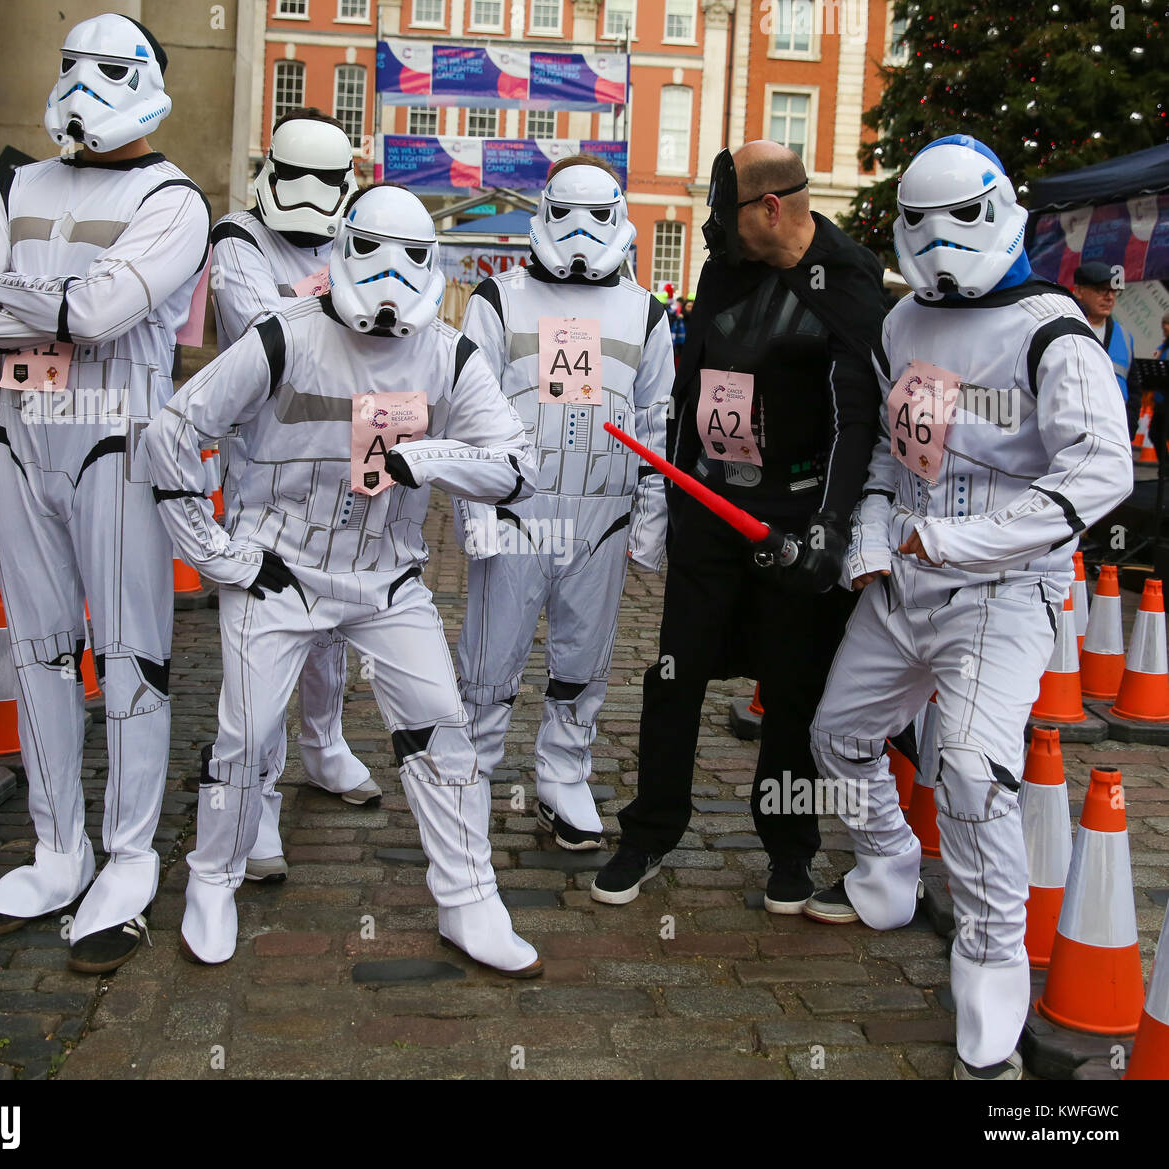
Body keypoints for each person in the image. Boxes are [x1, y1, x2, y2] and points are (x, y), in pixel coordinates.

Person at [143, 183, 544, 976]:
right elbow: (174, 430)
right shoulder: (282, 337)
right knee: (247, 735)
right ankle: (212, 879)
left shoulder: (448, 352)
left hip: (385, 575)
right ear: (342, 248)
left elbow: (516, 467)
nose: (392, 274)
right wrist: (216, 551)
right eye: (373, 252)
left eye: (412, 257)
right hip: (278, 567)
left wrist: (427, 458)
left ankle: (469, 898)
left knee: (441, 729)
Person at [806, 136, 1132, 1080]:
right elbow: (887, 454)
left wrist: (966, 541)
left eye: (960, 221)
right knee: (839, 736)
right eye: (921, 224)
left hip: (1000, 592)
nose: (939, 244)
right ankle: (885, 864)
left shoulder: (1052, 330)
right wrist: (871, 532)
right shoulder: (903, 327)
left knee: (973, 774)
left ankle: (989, 980)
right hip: (906, 579)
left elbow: (1099, 469)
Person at [0, 13, 210, 974]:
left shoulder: (175, 199)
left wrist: (6, 300)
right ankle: (59, 847)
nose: (82, 85)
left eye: (107, 68)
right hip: (23, 435)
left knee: (131, 654)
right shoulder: (17, 183)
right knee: (41, 649)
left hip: (118, 441)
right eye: (70, 66)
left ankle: (129, 854)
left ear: (144, 77)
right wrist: (49, 307)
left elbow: (99, 313)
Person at [592, 141, 889, 907]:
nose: (712, 230)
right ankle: (649, 831)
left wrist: (831, 525)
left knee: (792, 689)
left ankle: (789, 850)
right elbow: (691, 386)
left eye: (727, 213)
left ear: (770, 209)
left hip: (794, 516)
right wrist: (672, 497)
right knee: (674, 675)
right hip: (711, 509)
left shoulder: (849, 278)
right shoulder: (724, 268)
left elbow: (860, 418)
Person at [455, 155, 671, 852]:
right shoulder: (498, 299)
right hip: (519, 507)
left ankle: (564, 772)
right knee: (490, 661)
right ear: (544, 212)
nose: (581, 231)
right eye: (567, 212)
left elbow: (657, 420)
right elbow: (466, 409)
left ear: (618, 218)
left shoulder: (646, 314)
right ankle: (471, 774)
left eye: (597, 215)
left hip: (600, 513)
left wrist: (652, 516)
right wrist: (474, 509)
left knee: (583, 657)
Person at [208, 106, 379, 884]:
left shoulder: (355, 232)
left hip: (345, 459)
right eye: (296, 177)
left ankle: (325, 744)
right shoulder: (238, 239)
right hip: (265, 469)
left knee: (333, 628)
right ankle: (260, 798)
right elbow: (263, 340)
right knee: (267, 633)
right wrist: (338, 309)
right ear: (269, 171)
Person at [1071, 260, 1137, 435]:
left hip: (1114, 433)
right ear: (1078, 291)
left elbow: (1134, 387)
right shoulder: (1063, 331)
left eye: (1113, 291)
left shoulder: (1124, 337)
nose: (1109, 297)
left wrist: (1129, 428)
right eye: (1101, 290)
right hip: (1074, 431)